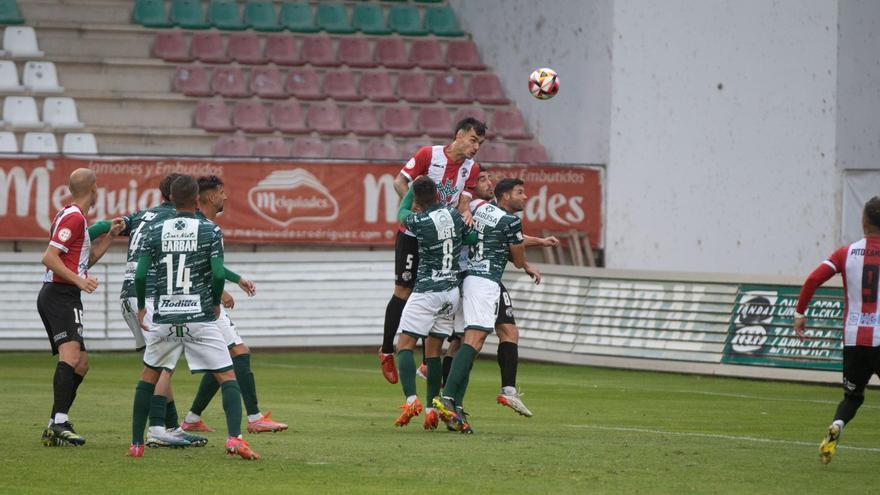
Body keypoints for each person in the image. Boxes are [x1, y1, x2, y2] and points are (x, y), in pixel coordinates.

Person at [128, 175, 259, 460]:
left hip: (165, 316)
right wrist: (214, 302)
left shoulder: (155, 230)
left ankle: (137, 444)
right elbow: (218, 273)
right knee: (227, 376)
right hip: (199, 315)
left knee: (149, 375)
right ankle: (235, 439)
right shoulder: (209, 230)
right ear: (197, 199)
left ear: (171, 199)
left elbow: (140, 274)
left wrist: (141, 307)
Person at [426, 170, 557, 419]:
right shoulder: (510, 222)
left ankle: (455, 404)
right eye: (520, 192)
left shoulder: (479, 210)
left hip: (465, 278)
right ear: (505, 196)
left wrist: (533, 243)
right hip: (485, 283)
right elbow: (517, 259)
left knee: (465, 340)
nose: (525, 197)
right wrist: (522, 258)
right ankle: (448, 397)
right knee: (473, 342)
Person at [379, 118, 485, 384]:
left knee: (434, 290)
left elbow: (463, 204)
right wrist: (413, 203)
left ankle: (428, 362)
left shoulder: (471, 169)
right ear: (459, 135)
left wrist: (466, 215)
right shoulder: (429, 155)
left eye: (480, 143)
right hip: (413, 234)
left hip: (441, 239)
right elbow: (398, 182)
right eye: (473, 140)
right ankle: (386, 351)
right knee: (403, 290)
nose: (476, 147)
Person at [180, 175, 288, 434]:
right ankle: (254, 418)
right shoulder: (207, 228)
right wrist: (219, 294)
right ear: (207, 197)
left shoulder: (192, 225)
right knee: (239, 352)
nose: (225, 197)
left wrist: (236, 279)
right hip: (202, 301)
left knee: (224, 356)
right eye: (220, 192)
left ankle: (192, 418)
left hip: (187, 301)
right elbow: (206, 270)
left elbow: (208, 265)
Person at [38, 168, 124, 446]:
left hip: (66, 294)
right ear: (94, 188)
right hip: (59, 294)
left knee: (81, 364)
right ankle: (60, 422)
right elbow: (50, 258)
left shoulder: (75, 217)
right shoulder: (73, 217)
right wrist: (79, 281)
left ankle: (55, 422)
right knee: (71, 357)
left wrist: (110, 235)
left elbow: (84, 261)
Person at [118, 173, 204, 448]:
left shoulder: (142, 215)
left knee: (156, 364)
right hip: (151, 295)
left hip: (127, 293)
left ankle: (169, 426)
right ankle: (156, 428)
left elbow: (109, 226)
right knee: (161, 365)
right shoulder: (176, 219)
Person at [794, 196, 880, 465]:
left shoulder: (846, 253)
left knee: (853, 396)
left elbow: (813, 278)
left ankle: (838, 425)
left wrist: (800, 312)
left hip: (854, 339)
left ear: (864, 221)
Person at [391, 176, 476, 428]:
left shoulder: (419, 220)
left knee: (404, 345)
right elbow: (470, 239)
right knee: (433, 352)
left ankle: (411, 400)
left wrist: (411, 191)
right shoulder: (454, 214)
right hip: (451, 292)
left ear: (418, 199)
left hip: (428, 289)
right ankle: (431, 408)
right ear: (438, 196)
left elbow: (401, 212)